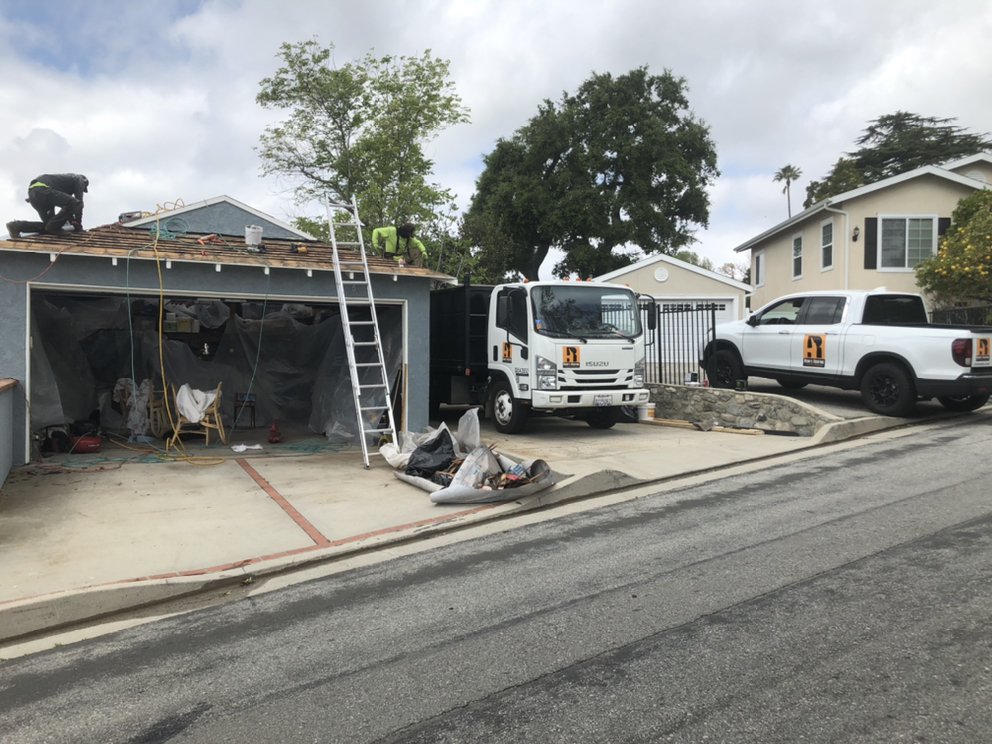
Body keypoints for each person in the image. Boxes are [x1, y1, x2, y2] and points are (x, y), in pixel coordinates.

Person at [5, 173, 88, 239]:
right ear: (84, 182)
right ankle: (54, 226)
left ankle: (16, 226)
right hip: (43, 191)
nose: (82, 190)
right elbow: (78, 202)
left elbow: (67, 207)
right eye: (83, 188)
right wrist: (79, 224)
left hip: (34, 195)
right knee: (76, 204)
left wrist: (72, 220)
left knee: (48, 227)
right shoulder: (78, 179)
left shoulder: (63, 184)